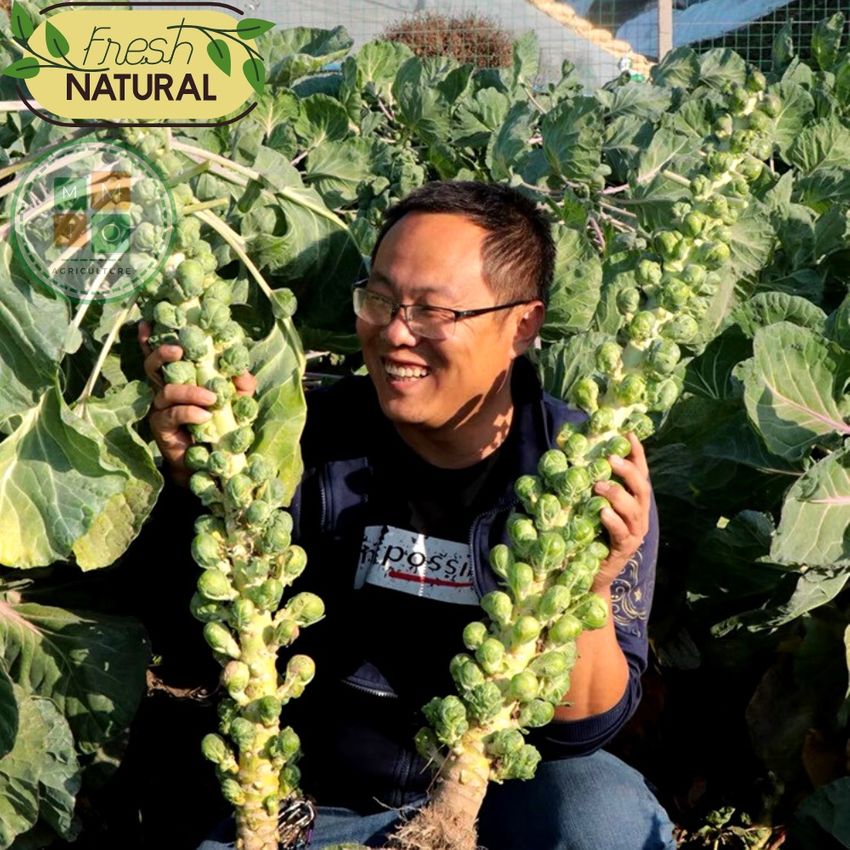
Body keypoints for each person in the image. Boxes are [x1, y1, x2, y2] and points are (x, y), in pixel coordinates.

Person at [141, 181, 677, 850]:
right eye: (381, 299)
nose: (396, 332)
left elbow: (581, 728)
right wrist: (201, 486)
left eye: (433, 311)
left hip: (502, 804)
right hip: (317, 800)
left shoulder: (582, 471)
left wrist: (589, 588)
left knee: (603, 813)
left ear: (523, 324)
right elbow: (192, 647)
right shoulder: (301, 438)